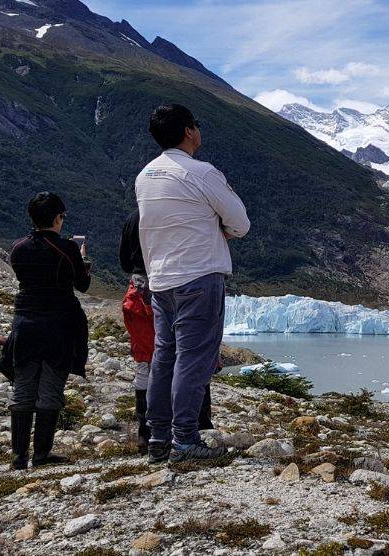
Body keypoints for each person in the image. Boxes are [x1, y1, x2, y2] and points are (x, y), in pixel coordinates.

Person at [135, 104, 249, 463]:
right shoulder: (202, 173)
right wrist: (220, 228)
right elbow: (240, 222)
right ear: (188, 131)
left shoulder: (144, 176)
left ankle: (158, 438)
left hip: (161, 281)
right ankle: (185, 439)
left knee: (164, 356)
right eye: (196, 124)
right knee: (193, 359)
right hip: (199, 276)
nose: (199, 130)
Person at [0, 192, 91, 469]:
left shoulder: (18, 247)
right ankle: (41, 454)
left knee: (23, 387)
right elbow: (82, 285)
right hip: (59, 322)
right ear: (57, 218)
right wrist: (83, 260)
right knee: (50, 386)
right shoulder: (67, 249)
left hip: (25, 321)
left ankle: (18, 456)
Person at [119, 208, 217, 454]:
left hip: (140, 291)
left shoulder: (133, 218)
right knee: (191, 355)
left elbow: (123, 261)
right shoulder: (178, 214)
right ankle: (195, 427)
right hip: (178, 284)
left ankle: (149, 434)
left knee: (150, 359)